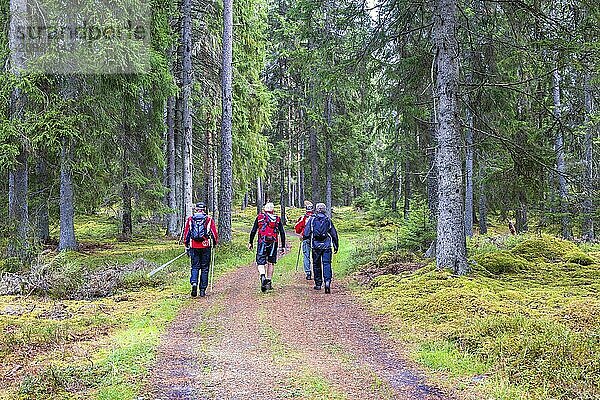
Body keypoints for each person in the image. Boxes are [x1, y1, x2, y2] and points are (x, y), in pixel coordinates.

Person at [248, 202, 286, 293]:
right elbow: (282, 232)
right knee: (271, 262)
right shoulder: (277, 219)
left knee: (260, 262)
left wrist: (250, 242)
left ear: (265, 209)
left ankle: (262, 276)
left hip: (262, 242)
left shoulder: (259, 217)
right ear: (273, 210)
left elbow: (253, 231)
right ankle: (268, 282)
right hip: (273, 242)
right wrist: (283, 246)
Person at [183, 202, 218, 298]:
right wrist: (214, 243)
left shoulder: (190, 219)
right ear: (204, 209)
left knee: (194, 267)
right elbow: (214, 233)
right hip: (205, 246)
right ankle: (202, 290)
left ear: (196, 209)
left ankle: (194, 283)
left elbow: (186, 233)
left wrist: (186, 245)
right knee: (205, 268)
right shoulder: (208, 219)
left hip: (194, 246)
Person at [303, 203, 338, 294]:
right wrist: (336, 245)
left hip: (315, 246)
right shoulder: (328, 220)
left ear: (317, 209)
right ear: (325, 210)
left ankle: (318, 284)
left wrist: (306, 239)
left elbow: (306, 234)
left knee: (316, 264)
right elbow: (334, 234)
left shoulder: (312, 219)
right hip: (327, 246)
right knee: (327, 264)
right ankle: (327, 282)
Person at [294, 200, 314, 280]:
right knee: (316, 256)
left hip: (306, 239)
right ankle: (317, 272)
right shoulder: (316, 217)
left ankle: (308, 273)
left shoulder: (303, 218)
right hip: (315, 239)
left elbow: (297, 229)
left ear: (306, 209)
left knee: (306, 256)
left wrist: (302, 232)